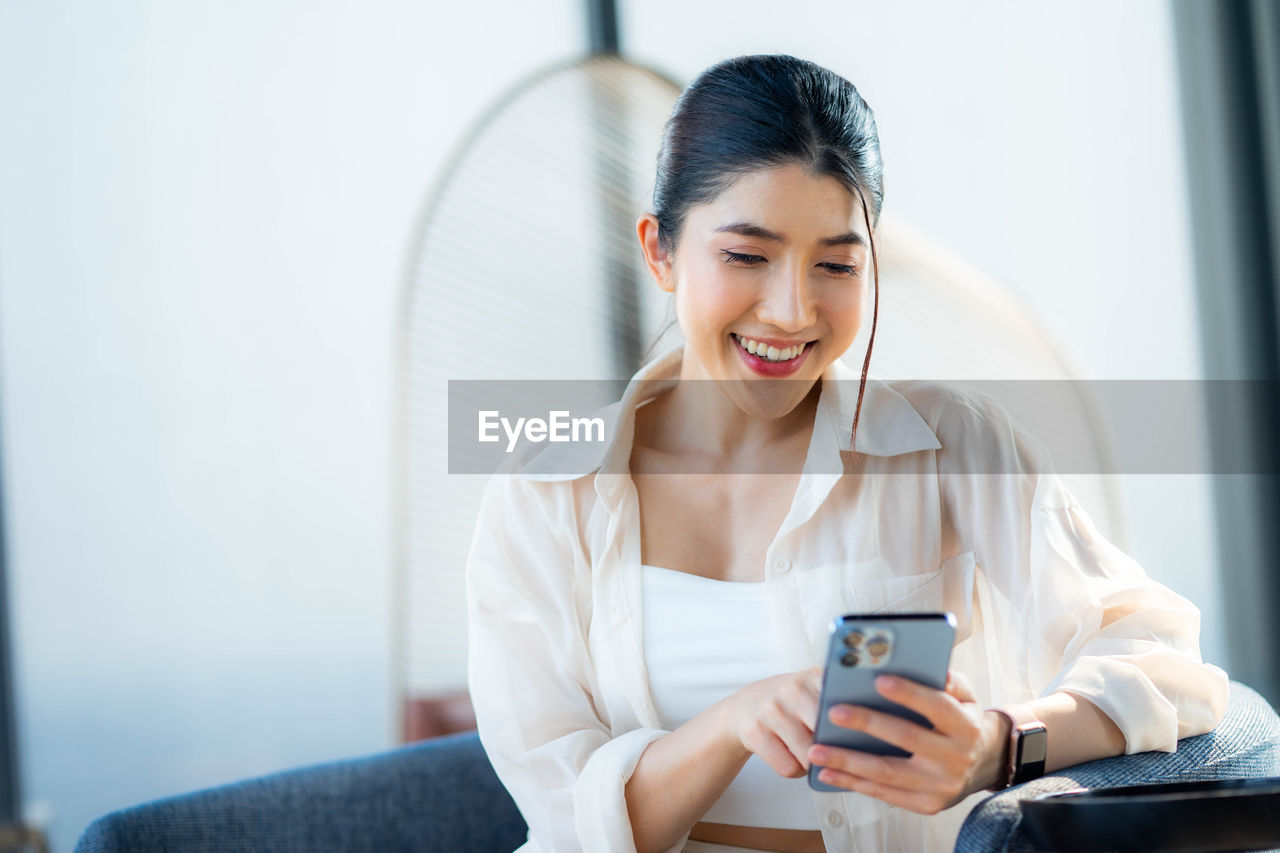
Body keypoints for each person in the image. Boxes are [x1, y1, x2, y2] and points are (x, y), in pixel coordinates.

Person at [464, 54, 1229, 853]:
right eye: (746, 255)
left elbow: (1161, 652)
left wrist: (1000, 742)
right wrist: (732, 722)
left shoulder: (948, 445)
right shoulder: (548, 489)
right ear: (659, 251)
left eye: (836, 264)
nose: (793, 311)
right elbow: (565, 812)